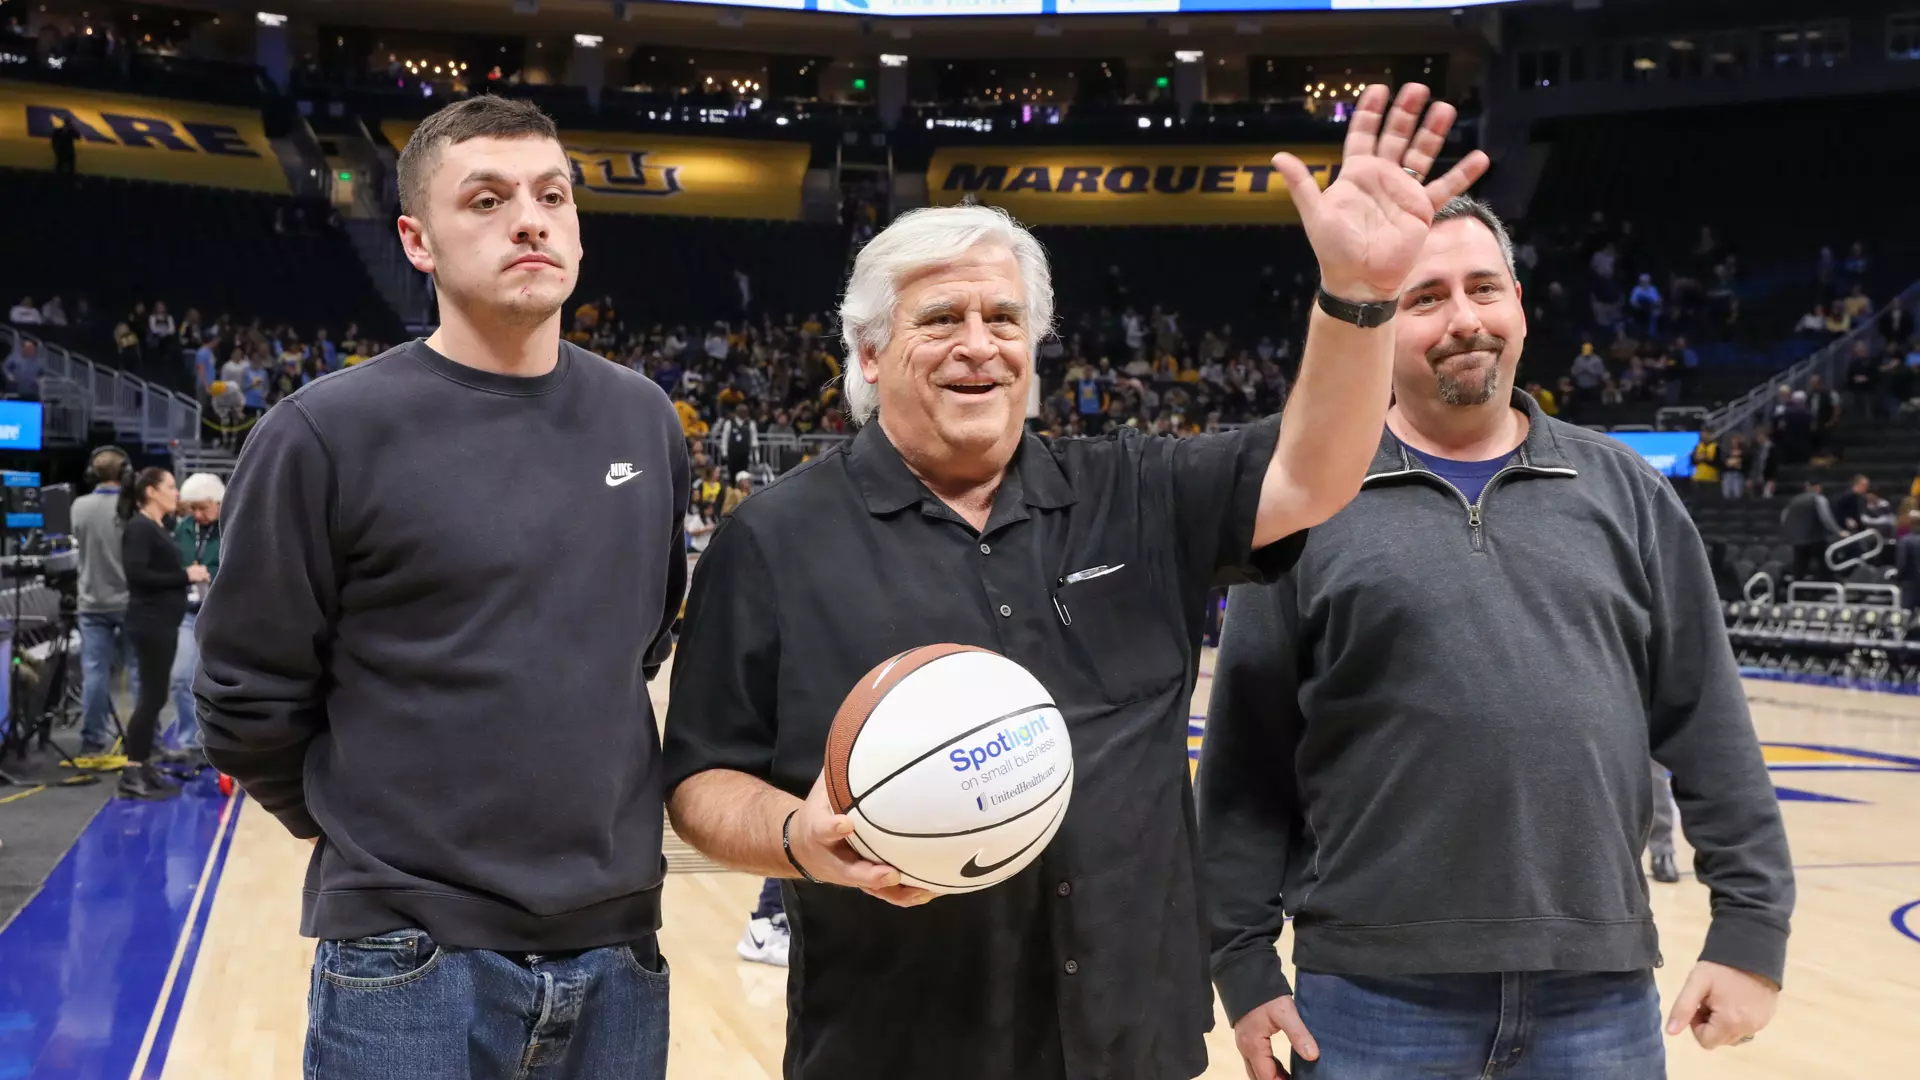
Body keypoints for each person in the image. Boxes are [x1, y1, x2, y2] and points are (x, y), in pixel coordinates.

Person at [662, 82, 1488, 1080]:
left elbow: (1314, 474)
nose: (980, 345)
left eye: (1005, 318)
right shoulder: (773, 539)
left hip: (1131, 1046)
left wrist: (1357, 295)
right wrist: (796, 835)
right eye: (942, 319)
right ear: (871, 355)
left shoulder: (1137, 491)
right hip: (891, 1050)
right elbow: (703, 778)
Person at [1200, 195, 1793, 1079]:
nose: (1464, 319)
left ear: (1519, 301)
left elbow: (1708, 722)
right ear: (1380, 323)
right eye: (1425, 297)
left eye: (1484, 288)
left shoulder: (1626, 492)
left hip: (1599, 994)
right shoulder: (1303, 506)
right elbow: (1243, 767)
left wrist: (1750, 930)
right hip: (1371, 999)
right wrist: (1244, 965)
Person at [195, 95, 686, 1080]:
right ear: (418, 241)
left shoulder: (644, 421)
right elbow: (246, 698)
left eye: (552, 196)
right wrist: (380, 840)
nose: (531, 219)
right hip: (406, 958)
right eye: (489, 199)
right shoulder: (323, 432)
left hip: (621, 948)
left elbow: (639, 643)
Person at [118, 467, 207, 800]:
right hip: (150, 623)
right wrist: (184, 576)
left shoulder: (157, 527)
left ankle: (142, 765)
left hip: (162, 622)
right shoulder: (140, 528)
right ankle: (132, 770)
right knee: (151, 699)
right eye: (171, 486)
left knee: (155, 698)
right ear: (152, 491)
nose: (177, 492)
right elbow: (137, 575)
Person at [70, 446, 140, 755]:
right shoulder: (132, 507)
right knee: (138, 672)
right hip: (130, 603)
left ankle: (92, 741)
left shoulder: (78, 506)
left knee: (94, 674)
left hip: (91, 603)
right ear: (125, 474)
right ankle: (142, 742)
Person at [166, 472, 223, 763]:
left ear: (218, 503)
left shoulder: (232, 527)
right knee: (179, 678)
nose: (198, 515)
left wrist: (212, 574)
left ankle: (222, 744)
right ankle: (190, 743)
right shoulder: (184, 528)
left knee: (218, 682)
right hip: (188, 613)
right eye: (194, 509)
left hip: (222, 616)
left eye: (203, 508)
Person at [1781, 478, 1842, 582]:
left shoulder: (1794, 500)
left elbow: (1784, 518)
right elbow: (1826, 518)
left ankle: (1796, 593)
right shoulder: (1818, 498)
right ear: (1818, 487)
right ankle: (1825, 590)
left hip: (1798, 541)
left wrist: (1791, 533)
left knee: (1799, 570)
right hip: (1816, 538)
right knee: (1824, 566)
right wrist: (1838, 531)